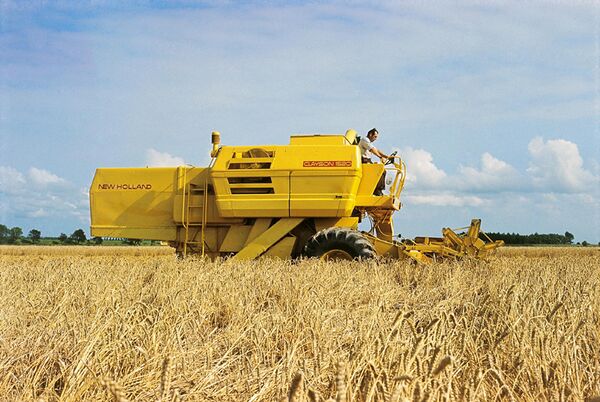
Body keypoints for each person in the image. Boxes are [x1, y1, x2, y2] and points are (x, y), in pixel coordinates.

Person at [358, 128, 390, 196]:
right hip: (364, 161)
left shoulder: (368, 142)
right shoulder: (365, 140)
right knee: (380, 170)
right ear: (370, 134)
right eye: (375, 136)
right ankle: (377, 190)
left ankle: (377, 190)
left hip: (367, 161)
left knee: (382, 170)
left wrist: (387, 157)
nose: (376, 139)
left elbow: (376, 150)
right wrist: (380, 157)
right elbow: (372, 150)